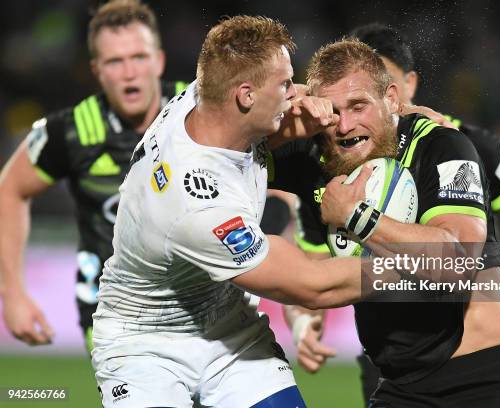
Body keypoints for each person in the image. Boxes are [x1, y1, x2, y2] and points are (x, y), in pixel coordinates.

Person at [91, 15, 387, 408]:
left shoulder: (206, 95)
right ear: (246, 96)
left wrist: (401, 115)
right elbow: (312, 285)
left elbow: (268, 116)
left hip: (229, 329)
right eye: (284, 85)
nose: (293, 94)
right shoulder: (197, 205)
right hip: (145, 345)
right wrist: (423, 264)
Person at [287, 23, 500, 403]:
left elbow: (474, 253)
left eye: (360, 101)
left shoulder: (452, 143)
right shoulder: (327, 165)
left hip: (484, 376)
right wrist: (303, 320)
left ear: (395, 91)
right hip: (394, 378)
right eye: (332, 105)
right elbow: (317, 273)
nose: (345, 122)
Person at [0, 0, 188, 352]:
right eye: (115, 62)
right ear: (96, 71)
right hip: (114, 319)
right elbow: (9, 189)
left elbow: (267, 154)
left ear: (159, 61)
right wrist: (12, 293)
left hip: (206, 308)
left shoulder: (199, 109)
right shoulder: (70, 132)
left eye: (139, 57)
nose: (129, 72)